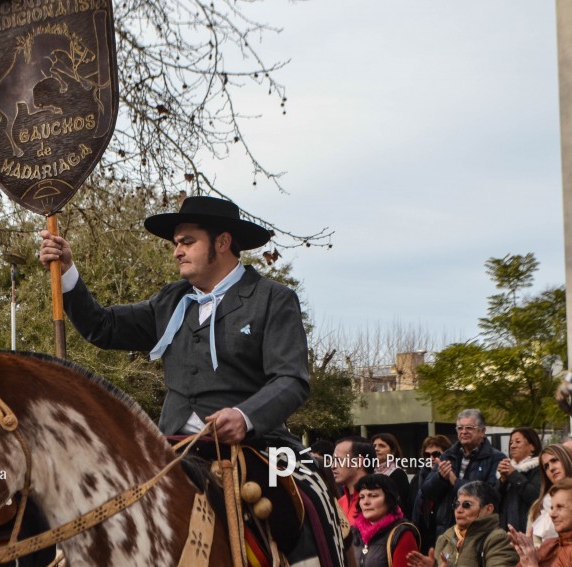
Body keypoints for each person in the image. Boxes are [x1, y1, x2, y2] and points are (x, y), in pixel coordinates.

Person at [39, 195, 342, 564]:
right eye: (175, 244)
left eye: (187, 242)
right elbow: (102, 327)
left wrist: (244, 417)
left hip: (258, 446)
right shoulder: (171, 300)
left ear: (223, 242)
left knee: (307, 499)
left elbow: (292, 379)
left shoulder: (273, 299)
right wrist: (68, 271)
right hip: (170, 449)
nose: (176, 252)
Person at [421, 409, 506, 539]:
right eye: (460, 428)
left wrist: (456, 482)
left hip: (479, 531)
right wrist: (440, 478)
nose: (464, 432)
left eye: (469, 428)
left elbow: (493, 493)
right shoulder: (447, 455)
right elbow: (426, 491)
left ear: (482, 431)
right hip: (447, 529)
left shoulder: (496, 457)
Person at [406, 481, 518, 567]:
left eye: (467, 505)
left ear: (488, 509)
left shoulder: (498, 539)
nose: (458, 510)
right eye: (456, 504)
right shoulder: (445, 538)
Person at [350, 474, 420, 567]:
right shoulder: (353, 532)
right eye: (362, 497)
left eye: (373, 496)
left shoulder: (402, 534)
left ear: (389, 499)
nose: (365, 502)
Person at [510, 478, 572, 567]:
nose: (552, 514)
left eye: (560, 507)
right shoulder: (548, 545)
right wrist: (526, 554)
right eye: (552, 508)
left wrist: (532, 565)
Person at [412, 435, 454, 554]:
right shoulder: (419, 477)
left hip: (444, 535)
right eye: (427, 455)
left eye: (436, 454)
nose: (431, 458)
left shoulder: (452, 476)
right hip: (423, 536)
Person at [497, 428, 542, 533]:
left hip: (529, 532)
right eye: (511, 443)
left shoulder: (539, 468)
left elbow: (535, 497)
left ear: (532, 447)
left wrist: (513, 475)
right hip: (505, 534)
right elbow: (493, 502)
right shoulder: (507, 469)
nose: (512, 446)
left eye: (518, 442)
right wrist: (502, 480)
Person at [529, 445, 572, 545]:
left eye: (555, 460)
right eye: (546, 467)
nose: (551, 468)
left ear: (567, 459)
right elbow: (533, 544)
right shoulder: (537, 507)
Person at [333, 437, 376, 526]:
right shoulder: (340, 503)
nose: (333, 466)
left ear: (358, 462)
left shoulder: (379, 503)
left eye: (339, 460)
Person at [373, 432, 413, 515]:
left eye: (382, 446)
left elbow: (403, 505)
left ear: (392, 451)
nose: (376, 449)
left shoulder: (398, 473)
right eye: (374, 446)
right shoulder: (370, 472)